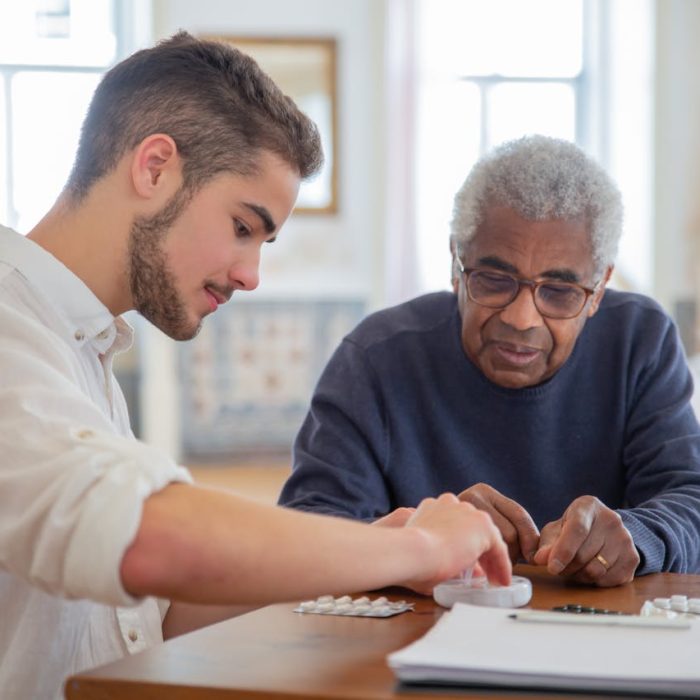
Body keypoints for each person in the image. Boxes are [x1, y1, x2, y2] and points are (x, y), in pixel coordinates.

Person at [0, 32, 511, 700]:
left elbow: (155, 614)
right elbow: (149, 539)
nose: (251, 275)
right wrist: (420, 550)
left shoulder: (82, 344)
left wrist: (360, 553)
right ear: (154, 168)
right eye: (244, 226)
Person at [279, 134, 700, 589]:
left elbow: (690, 499)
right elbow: (308, 532)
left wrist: (637, 536)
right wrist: (423, 538)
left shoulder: (639, 342)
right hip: (412, 641)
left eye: (559, 292)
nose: (521, 319)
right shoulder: (376, 358)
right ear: (455, 265)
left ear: (599, 290)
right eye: (494, 280)